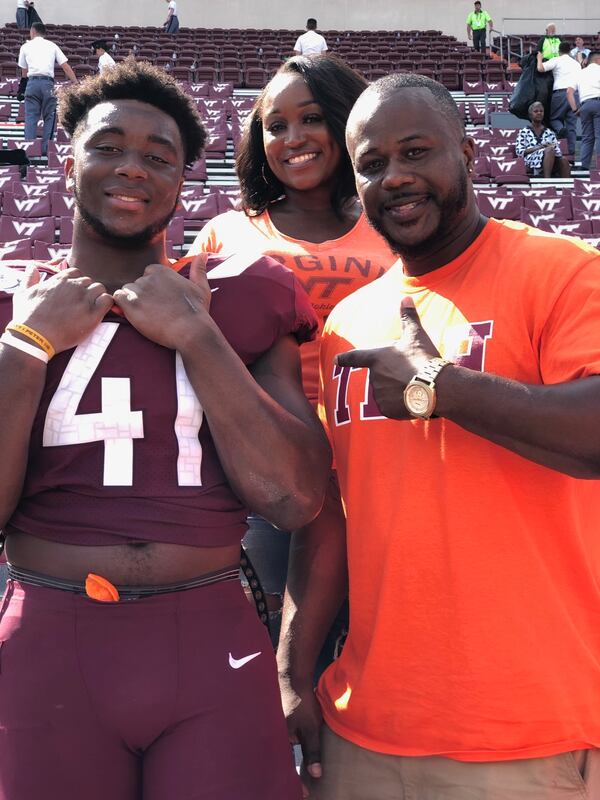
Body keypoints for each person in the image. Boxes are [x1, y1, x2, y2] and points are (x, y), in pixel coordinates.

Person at [0, 58, 331, 800]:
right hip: (50, 632)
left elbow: (294, 497)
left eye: (159, 156)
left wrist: (197, 335)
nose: (132, 168)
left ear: (185, 179)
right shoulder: (17, 303)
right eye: (108, 146)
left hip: (208, 633)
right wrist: (24, 350)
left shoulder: (246, 292)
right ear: (65, 159)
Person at [280, 72, 600, 799]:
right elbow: (331, 516)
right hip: (363, 728)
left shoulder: (562, 274)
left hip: (527, 735)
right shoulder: (347, 326)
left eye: (416, 151)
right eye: (371, 164)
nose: (396, 178)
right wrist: (292, 674)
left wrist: (440, 389)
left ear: (466, 149)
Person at [188, 54, 395, 652]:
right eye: (275, 125)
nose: (293, 138)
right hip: (266, 473)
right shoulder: (227, 233)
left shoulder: (393, 226)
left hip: (383, 464)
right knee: (266, 652)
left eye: (310, 118)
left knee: (372, 649)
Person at [17, 22, 77, 157]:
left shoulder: (25, 46)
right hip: (47, 84)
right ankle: (46, 150)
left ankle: (29, 149)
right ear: (44, 33)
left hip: (32, 84)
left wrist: (22, 88)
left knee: (30, 118)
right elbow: (65, 66)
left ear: (33, 32)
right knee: (49, 117)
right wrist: (76, 82)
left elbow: (24, 72)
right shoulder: (52, 45)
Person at [536, 40, 581, 155]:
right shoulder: (576, 63)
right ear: (570, 51)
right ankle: (571, 152)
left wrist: (539, 58)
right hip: (575, 95)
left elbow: (540, 69)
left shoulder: (556, 60)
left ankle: (560, 130)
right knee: (572, 125)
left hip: (560, 94)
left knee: (554, 119)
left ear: (559, 51)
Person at [515, 100, 570, 176]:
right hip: (530, 160)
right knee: (549, 150)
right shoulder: (524, 132)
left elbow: (558, 152)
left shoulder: (549, 132)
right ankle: (547, 181)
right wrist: (539, 147)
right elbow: (520, 152)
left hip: (549, 158)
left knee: (563, 160)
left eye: (541, 111)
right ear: (530, 114)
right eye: (536, 111)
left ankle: (566, 186)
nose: (539, 113)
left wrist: (551, 146)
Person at [568, 50, 600, 171]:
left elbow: (569, 92)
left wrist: (575, 109)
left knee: (587, 137)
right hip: (598, 102)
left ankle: (584, 166)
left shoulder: (579, 73)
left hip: (584, 105)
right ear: (598, 60)